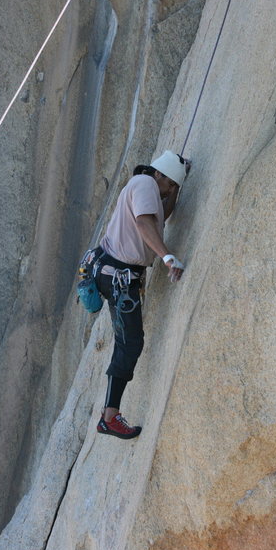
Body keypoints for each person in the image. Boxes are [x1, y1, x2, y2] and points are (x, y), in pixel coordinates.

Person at [95, 150, 188, 439]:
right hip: (118, 277)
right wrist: (167, 257)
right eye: (169, 184)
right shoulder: (145, 183)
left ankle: (109, 415)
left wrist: (178, 186)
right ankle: (110, 417)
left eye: (173, 188)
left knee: (128, 341)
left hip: (114, 275)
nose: (169, 191)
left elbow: (161, 214)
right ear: (159, 174)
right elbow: (144, 223)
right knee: (130, 342)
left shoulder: (147, 186)